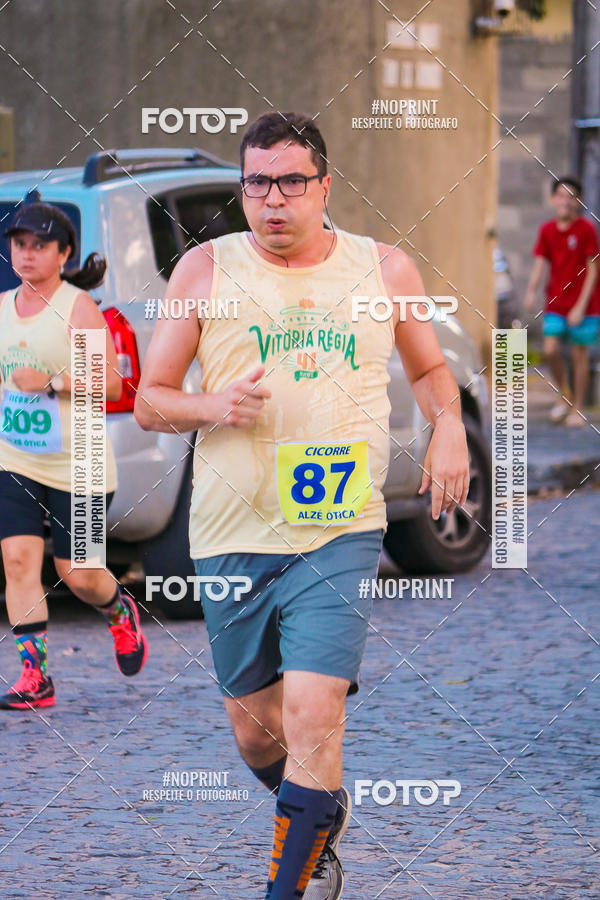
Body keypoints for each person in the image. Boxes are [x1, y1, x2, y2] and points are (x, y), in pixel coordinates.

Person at [134, 111, 469, 899]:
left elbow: (429, 373)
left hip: (340, 527)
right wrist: (212, 405)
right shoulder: (204, 272)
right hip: (229, 531)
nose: (273, 199)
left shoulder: (385, 269)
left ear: (325, 185)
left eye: (291, 182)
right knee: (256, 735)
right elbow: (150, 399)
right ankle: (318, 811)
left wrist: (449, 424)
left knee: (316, 711)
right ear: (243, 189)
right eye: (257, 182)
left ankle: (295, 879)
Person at [0, 201, 148, 711]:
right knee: (19, 560)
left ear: (63, 254)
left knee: (77, 572)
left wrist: (52, 382)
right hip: (15, 457)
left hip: (78, 459)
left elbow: (110, 384)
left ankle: (119, 612)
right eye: (19, 243)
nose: (26, 254)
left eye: (39, 245)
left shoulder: (77, 307)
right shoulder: (1, 308)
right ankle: (35, 677)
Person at [524, 176, 599, 427]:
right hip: (556, 301)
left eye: (571, 197)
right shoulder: (547, 230)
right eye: (561, 196)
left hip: (585, 306)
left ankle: (578, 408)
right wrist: (531, 291)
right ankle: (564, 395)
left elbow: (593, 269)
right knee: (550, 350)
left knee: (579, 356)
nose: (565, 201)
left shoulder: (586, 230)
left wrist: (580, 306)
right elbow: (539, 263)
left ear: (578, 202)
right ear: (553, 199)